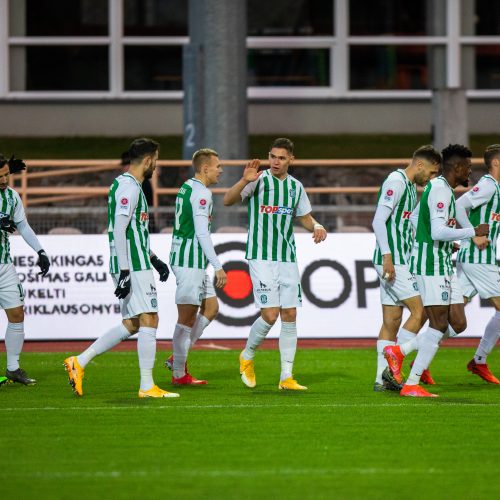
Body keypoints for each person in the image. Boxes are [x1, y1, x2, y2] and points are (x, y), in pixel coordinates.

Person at [64, 138, 178, 398]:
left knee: (132, 323)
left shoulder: (127, 184)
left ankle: (79, 362)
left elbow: (134, 231)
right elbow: (118, 229)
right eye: (156, 160)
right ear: (148, 160)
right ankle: (147, 386)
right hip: (132, 265)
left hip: (136, 260)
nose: (156, 165)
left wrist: (154, 258)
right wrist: (126, 271)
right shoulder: (130, 187)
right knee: (150, 318)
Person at [385, 144, 490, 397]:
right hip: (430, 265)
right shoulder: (441, 191)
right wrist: (471, 232)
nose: (470, 172)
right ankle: (411, 383)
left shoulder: (443, 191)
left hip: (442, 261)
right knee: (438, 323)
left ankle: (399, 351)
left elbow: (416, 219)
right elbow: (437, 231)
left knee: (458, 322)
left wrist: (447, 241)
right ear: (457, 167)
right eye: (468, 167)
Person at [224, 137, 327, 390]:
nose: (275, 162)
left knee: (290, 314)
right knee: (270, 315)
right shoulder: (257, 180)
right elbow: (227, 200)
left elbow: (303, 216)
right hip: (261, 256)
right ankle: (247, 355)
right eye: (272, 156)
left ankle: (286, 377)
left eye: (281, 158)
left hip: (287, 256)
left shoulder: (295, 187)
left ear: (291, 159)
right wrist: (243, 180)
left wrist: (316, 225)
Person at [371, 145, 441, 392]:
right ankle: (394, 369)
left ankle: (381, 379)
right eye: (432, 172)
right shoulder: (396, 181)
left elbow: (409, 222)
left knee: (392, 319)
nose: (431, 178)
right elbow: (378, 220)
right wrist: (387, 256)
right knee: (420, 311)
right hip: (393, 259)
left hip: (399, 257)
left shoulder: (411, 187)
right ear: (420, 165)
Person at [165, 148, 227, 385]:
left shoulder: (187, 186)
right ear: (205, 168)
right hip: (188, 261)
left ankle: (177, 357)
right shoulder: (202, 194)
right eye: (217, 165)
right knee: (186, 318)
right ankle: (179, 373)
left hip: (192, 260)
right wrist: (218, 266)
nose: (220, 170)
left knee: (211, 308)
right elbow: (201, 233)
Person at [0, 154, 50, 385]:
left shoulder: (11, 197)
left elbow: (23, 226)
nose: (3, 180)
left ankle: (12, 368)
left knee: (17, 313)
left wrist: (40, 251)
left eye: (6, 174)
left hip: (4, 265)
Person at [456, 144, 500, 384]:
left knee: (451, 318)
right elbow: (460, 205)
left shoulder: (496, 188)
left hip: (477, 258)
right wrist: (473, 234)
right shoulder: (487, 185)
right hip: (477, 257)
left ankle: (418, 357)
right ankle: (480, 360)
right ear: (496, 163)